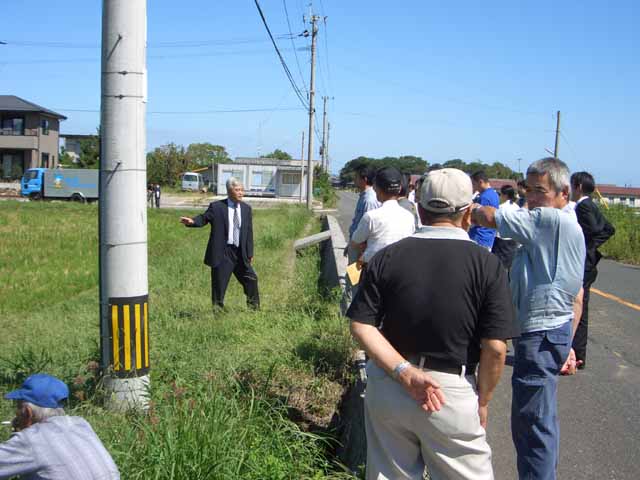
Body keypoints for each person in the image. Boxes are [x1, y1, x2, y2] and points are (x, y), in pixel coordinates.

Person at [347, 168, 517, 480]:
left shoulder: (387, 257)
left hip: (390, 382)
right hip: (449, 390)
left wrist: (404, 372)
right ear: (467, 213)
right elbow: (495, 347)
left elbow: (361, 325)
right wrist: (483, 400)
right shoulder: (487, 264)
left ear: (420, 209)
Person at [471, 158, 585, 480]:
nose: (532, 198)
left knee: (532, 422)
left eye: (540, 191)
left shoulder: (549, 221)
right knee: (538, 419)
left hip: (540, 332)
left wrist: (468, 211)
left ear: (563, 193)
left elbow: (490, 217)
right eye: (528, 190)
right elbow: (578, 296)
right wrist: (567, 341)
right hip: (551, 330)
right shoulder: (566, 225)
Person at [0, 374, 120, 479]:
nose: (16, 414)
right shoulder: (81, 424)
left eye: (17, 408)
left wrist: (17, 437)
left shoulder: (30, 440)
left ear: (27, 412)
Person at [180, 177, 260, 309]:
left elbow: (249, 232)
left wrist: (250, 252)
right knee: (219, 286)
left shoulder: (246, 209)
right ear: (229, 191)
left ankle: (254, 309)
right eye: (237, 190)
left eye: (242, 190)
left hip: (240, 253)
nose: (240, 193)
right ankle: (218, 313)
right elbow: (204, 218)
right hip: (223, 253)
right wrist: (193, 221)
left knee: (251, 279)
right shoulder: (217, 207)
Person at [570, 171, 615, 370]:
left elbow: (599, 230)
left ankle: (577, 354)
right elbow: (609, 229)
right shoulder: (589, 205)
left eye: (572, 185)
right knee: (580, 306)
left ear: (578, 186)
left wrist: (588, 246)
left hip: (584, 263)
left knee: (579, 307)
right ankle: (578, 353)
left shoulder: (583, 206)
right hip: (587, 262)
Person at [350, 167, 415, 267]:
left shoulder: (371, 217)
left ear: (376, 188)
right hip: (399, 269)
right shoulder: (409, 217)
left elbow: (355, 242)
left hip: (374, 269)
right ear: (400, 189)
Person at [491, 184, 520, 269]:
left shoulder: (501, 208)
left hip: (501, 240)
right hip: (513, 240)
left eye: (501, 194)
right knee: (510, 265)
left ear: (505, 195)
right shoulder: (516, 207)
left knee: (498, 266)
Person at [469, 171, 500, 250]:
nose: (473, 187)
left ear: (480, 182)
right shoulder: (494, 194)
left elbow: (478, 218)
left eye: (473, 184)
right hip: (488, 237)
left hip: (479, 237)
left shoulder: (484, 197)